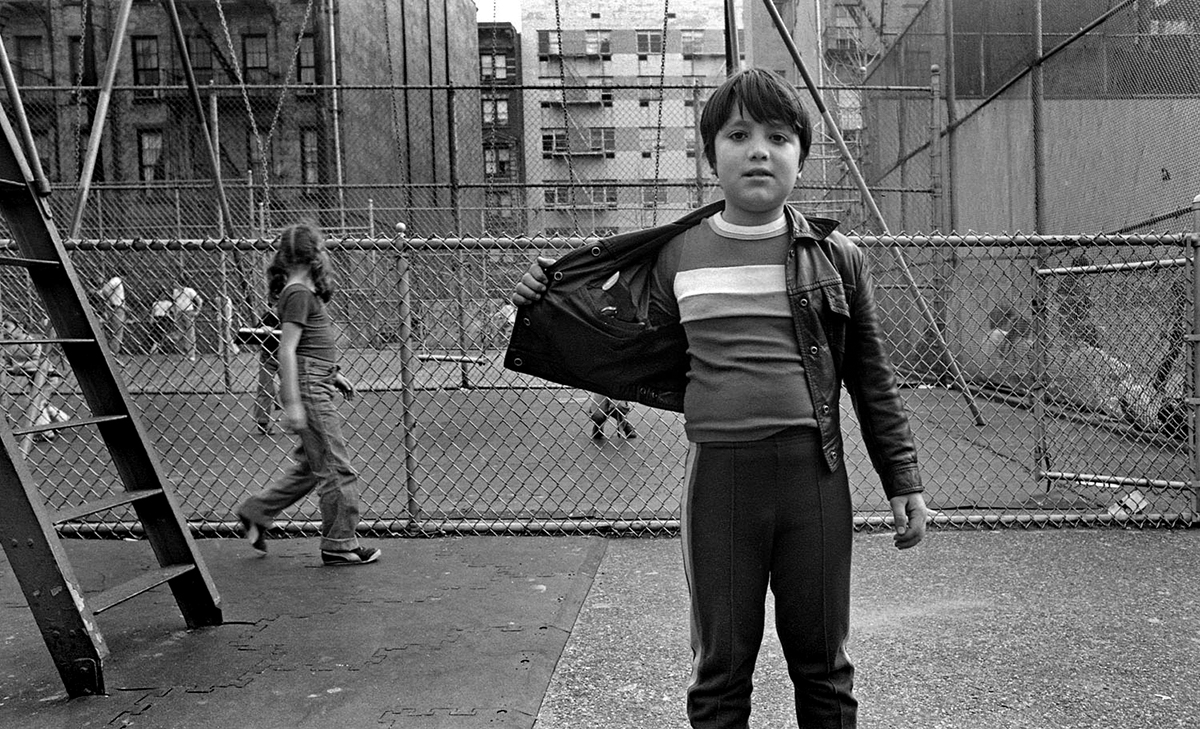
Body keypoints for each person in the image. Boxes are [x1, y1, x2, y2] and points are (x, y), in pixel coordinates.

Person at [508, 68, 928, 728]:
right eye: (738, 134)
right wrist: (541, 292)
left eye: (778, 135)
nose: (759, 149)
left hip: (813, 481)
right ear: (712, 155)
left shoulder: (839, 255)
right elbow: (600, 318)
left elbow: (870, 378)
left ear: (800, 154)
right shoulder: (676, 252)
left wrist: (903, 477)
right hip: (721, 483)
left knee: (824, 667)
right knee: (720, 669)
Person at [235, 223, 381, 567]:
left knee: (311, 467)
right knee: (336, 469)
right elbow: (287, 351)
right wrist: (293, 403)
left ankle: (256, 511)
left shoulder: (301, 290)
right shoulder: (299, 292)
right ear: (316, 254)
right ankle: (339, 543)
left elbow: (309, 347)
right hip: (308, 387)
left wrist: (335, 375)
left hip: (316, 380)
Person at [2, 317, 69, 442]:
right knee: (39, 401)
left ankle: (46, 431)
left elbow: (40, 360)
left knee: (34, 402)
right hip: (33, 378)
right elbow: (7, 363)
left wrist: (20, 366)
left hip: (47, 376)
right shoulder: (7, 345)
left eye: (7, 327)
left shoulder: (28, 341)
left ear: (20, 327)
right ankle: (61, 419)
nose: (3, 330)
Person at [251, 308, 281, 435]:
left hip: (287, 356)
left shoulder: (293, 314)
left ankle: (300, 420)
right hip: (268, 357)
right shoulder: (269, 315)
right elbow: (255, 335)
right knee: (265, 388)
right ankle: (263, 422)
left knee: (294, 387)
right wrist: (264, 329)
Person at [94, 271, 127, 354]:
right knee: (117, 332)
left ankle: (113, 353)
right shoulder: (117, 280)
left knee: (115, 332)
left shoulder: (116, 281)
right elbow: (105, 290)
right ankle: (113, 355)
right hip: (116, 308)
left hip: (116, 307)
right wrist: (112, 301)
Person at [170, 279, 202, 361]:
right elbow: (174, 302)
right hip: (179, 313)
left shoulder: (189, 290)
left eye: (175, 282)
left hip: (188, 312)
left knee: (190, 333)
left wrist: (197, 311)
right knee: (180, 333)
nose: (174, 284)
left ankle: (191, 354)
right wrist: (175, 314)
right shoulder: (175, 292)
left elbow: (199, 300)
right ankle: (183, 353)